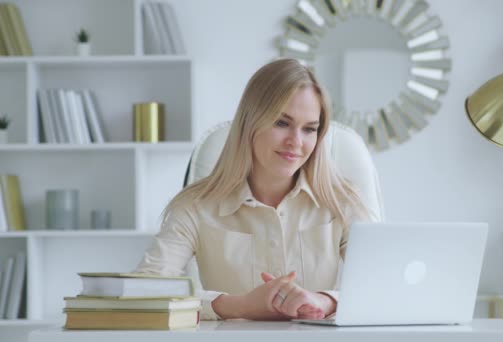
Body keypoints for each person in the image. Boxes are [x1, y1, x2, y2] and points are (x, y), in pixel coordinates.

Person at [135, 58, 374, 321]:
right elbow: (144, 293)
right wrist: (238, 305)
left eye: (309, 129)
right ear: (251, 123)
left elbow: (383, 284)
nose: (296, 142)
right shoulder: (194, 206)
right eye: (281, 123)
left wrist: (325, 301)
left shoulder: (343, 202)